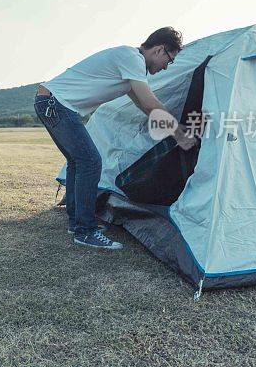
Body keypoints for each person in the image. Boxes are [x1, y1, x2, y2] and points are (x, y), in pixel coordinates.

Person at [34, 27, 196, 250]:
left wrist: (171, 131)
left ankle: (77, 223)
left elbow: (145, 107)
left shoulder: (130, 67)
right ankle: (85, 231)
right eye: (170, 60)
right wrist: (180, 135)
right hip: (57, 105)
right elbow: (150, 103)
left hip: (52, 103)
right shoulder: (132, 58)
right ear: (160, 50)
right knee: (90, 162)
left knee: (78, 162)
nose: (167, 66)